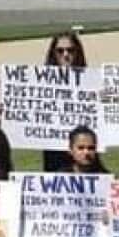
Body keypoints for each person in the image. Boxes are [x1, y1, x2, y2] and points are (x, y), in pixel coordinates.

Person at [29, 126, 118, 237]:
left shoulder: (107, 180)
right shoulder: (56, 179)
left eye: (91, 148)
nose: (86, 153)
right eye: (81, 148)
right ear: (70, 150)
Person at [42, 31, 88, 172]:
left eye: (70, 50)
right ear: (53, 54)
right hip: (54, 154)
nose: (66, 54)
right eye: (60, 51)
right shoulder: (42, 83)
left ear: (77, 52)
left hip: (84, 151)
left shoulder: (90, 80)